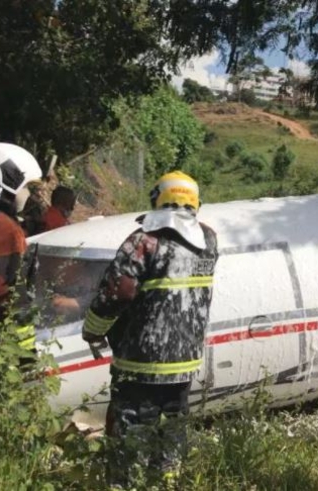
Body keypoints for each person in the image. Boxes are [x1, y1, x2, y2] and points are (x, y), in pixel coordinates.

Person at [82, 171, 218, 489]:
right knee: (172, 432)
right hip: (184, 362)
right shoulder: (208, 239)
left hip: (139, 361)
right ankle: (167, 483)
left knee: (127, 434)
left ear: (158, 199)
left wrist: (93, 328)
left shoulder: (143, 241)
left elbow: (119, 292)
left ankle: (123, 484)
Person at [0, 143, 43, 354]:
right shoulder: (5, 229)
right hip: (3, 341)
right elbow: (5, 291)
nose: (28, 194)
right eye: (26, 186)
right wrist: (25, 356)